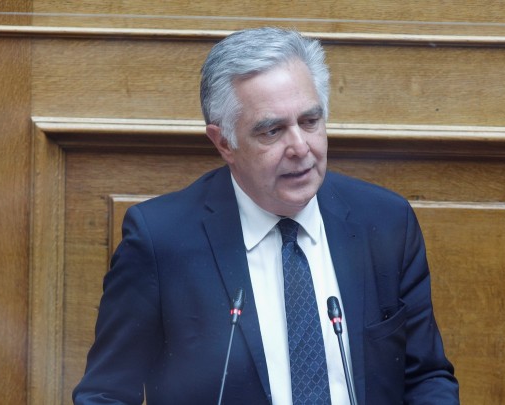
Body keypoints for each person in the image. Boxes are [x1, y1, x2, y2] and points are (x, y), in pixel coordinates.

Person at [73, 27, 459, 404]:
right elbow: (104, 394)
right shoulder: (161, 241)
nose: (300, 147)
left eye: (310, 121)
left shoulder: (386, 222)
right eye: (272, 131)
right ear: (224, 142)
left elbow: (426, 378)